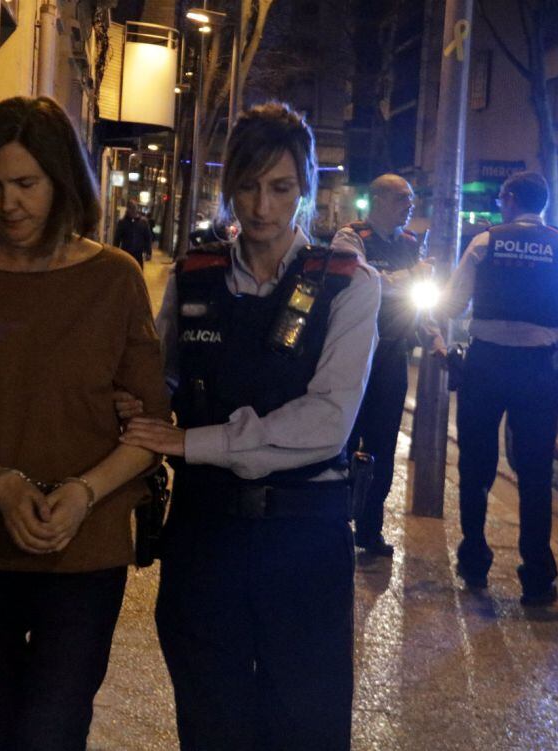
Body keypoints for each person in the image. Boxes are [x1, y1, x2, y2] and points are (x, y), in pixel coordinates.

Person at [0, 96, 169, 750]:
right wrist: (2, 486)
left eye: (26, 184)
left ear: (63, 181)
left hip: (85, 543)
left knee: (52, 729)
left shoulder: (114, 278)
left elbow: (151, 422)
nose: (8, 203)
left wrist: (80, 493)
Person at [119, 102, 381, 750]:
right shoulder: (193, 276)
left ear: (306, 189)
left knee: (307, 725)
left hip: (305, 534)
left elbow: (328, 421)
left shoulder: (351, 284)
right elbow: (162, 377)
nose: (262, 206)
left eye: (281, 188)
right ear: (228, 184)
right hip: (205, 533)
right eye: (248, 185)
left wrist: (192, 441)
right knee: (209, 722)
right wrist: (139, 404)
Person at [433, 171, 558, 607]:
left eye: (500, 200)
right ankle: (537, 578)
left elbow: (450, 306)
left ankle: (474, 562)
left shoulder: (484, 243)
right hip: (538, 372)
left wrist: (440, 341)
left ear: (511, 199)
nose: (499, 206)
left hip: (485, 366)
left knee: (475, 468)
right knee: (534, 474)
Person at [331, 174, 445, 556]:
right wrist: (410, 277)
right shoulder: (350, 238)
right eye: (401, 198)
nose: (409, 205)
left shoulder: (411, 244)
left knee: (383, 442)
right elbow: (365, 283)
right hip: (353, 353)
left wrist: (432, 334)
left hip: (393, 354)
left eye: (411, 199)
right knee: (345, 439)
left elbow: (418, 301)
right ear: (377, 199)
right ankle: (334, 521)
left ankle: (369, 529)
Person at [112, 200, 153, 267]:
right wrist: (115, 252)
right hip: (126, 253)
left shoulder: (143, 222)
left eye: (134, 208)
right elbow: (117, 238)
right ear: (128, 210)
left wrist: (148, 252)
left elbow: (147, 238)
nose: (132, 211)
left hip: (138, 254)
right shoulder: (123, 223)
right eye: (131, 208)